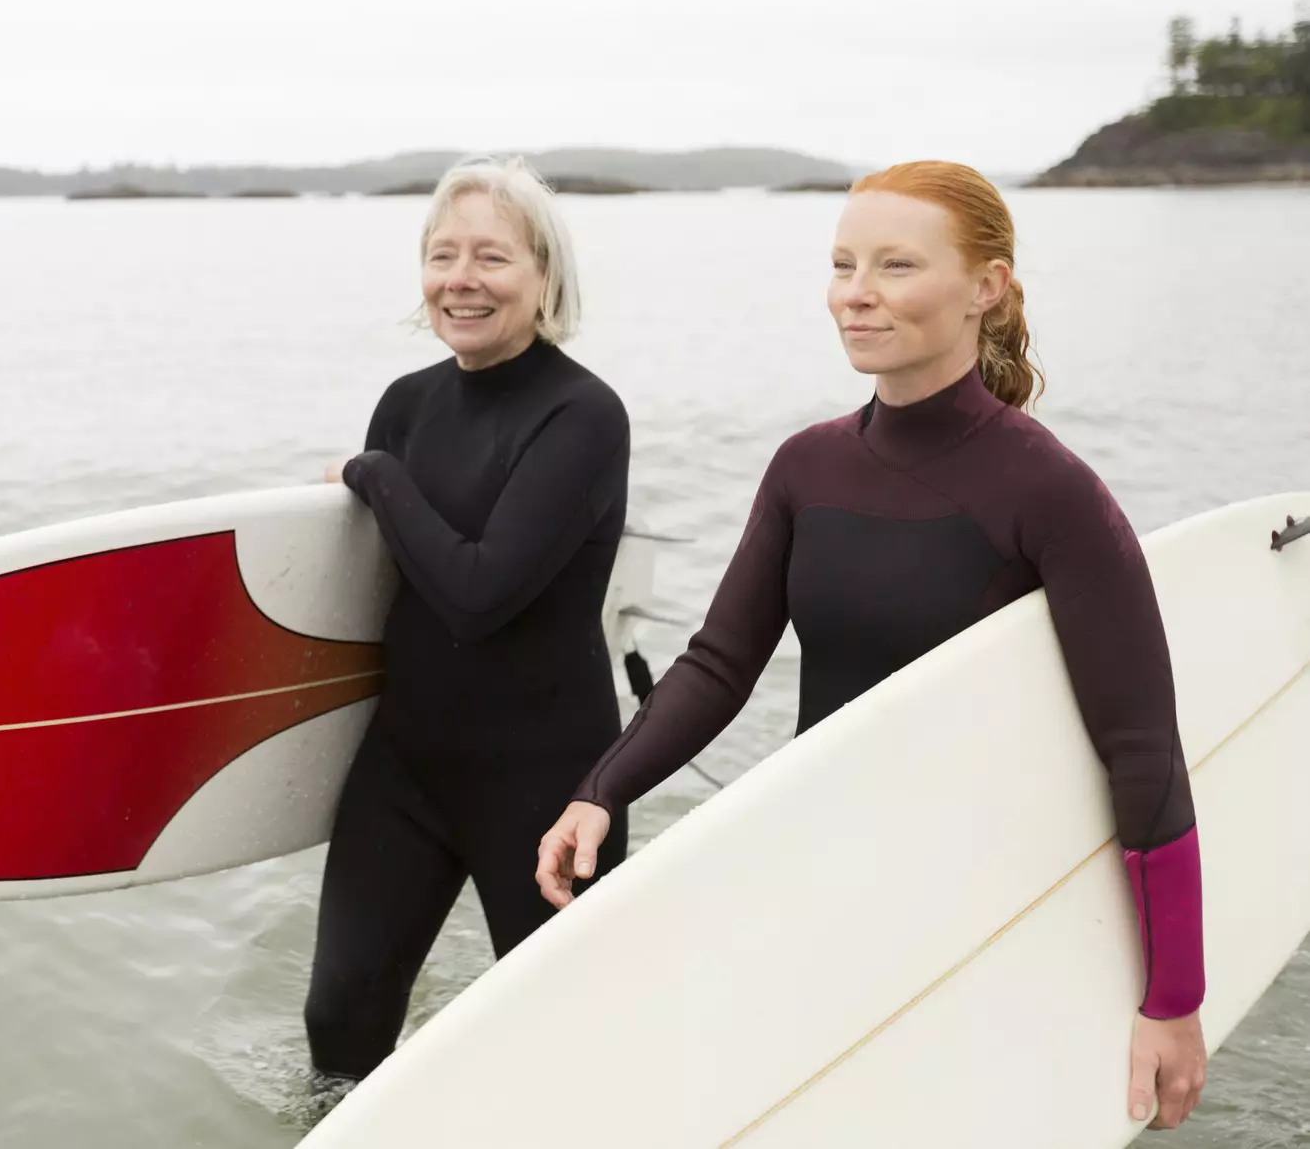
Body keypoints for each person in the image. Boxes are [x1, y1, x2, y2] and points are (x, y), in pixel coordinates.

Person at [534, 160, 1208, 1131]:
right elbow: (720, 663)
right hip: (821, 867)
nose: (855, 291)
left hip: (974, 895)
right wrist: (601, 789)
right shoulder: (806, 466)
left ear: (987, 285)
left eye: (894, 264)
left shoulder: (1047, 489)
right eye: (843, 262)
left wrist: (1171, 1000)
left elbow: (1140, 744)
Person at [304, 156, 632, 1083]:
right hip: (405, 767)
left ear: (543, 275)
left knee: (567, 1048)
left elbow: (479, 594)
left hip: (546, 787)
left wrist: (372, 472)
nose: (462, 278)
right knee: (339, 1025)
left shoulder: (582, 414)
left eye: (492, 256)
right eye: (442, 254)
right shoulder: (407, 404)